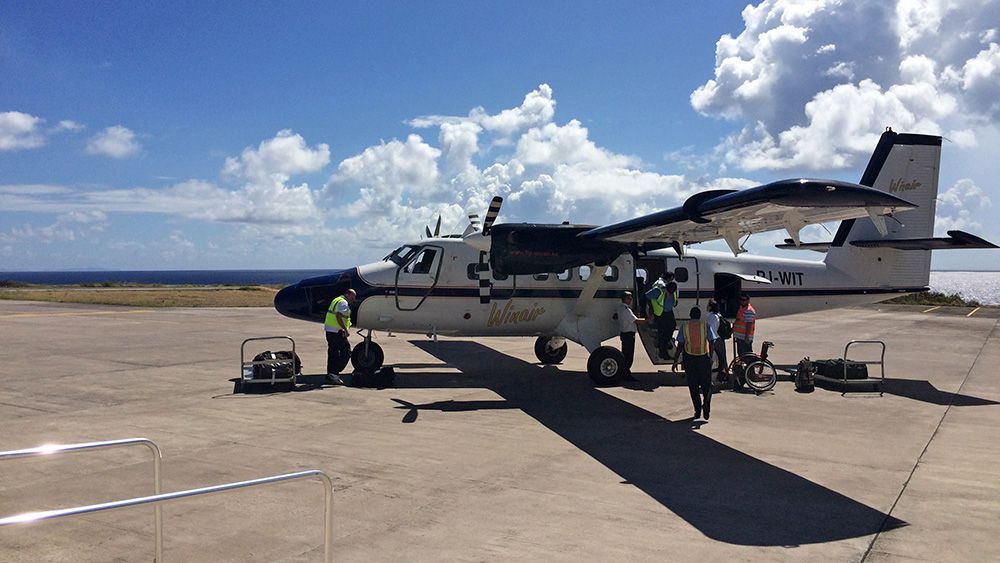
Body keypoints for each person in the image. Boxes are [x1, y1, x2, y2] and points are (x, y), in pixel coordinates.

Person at [672, 306, 717, 419]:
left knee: (693, 387)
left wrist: (675, 361)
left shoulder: (685, 327)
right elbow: (712, 341)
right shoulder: (705, 326)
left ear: (690, 316)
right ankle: (706, 406)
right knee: (707, 386)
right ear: (699, 315)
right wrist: (711, 357)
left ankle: (697, 411)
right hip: (703, 358)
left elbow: (680, 345)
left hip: (690, 359)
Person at [325, 289, 356, 384]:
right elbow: (338, 316)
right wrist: (345, 329)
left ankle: (331, 374)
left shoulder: (336, 299)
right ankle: (335, 372)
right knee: (346, 351)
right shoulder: (343, 303)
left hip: (330, 330)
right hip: (337, 331)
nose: (353, 299)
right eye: (352, 297)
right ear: (347, 294)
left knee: (333, 352)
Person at [645, 272, 678, 358]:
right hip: (660, 312)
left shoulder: (671, 286)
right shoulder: (659, 288)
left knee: (672, 325)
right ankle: (663, 351)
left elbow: (674, 299)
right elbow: (647, 296)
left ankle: (666, 343)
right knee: (663, 333)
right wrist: (651, 310)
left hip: (668, 311)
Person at [615, 291, 646, 381]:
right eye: (629, 298)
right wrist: (647, 320)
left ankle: (625, 373)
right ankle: (625, 374)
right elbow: (636, 321)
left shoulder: (620, 308)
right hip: (629, 335)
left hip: (624, 334)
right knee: (628, 356)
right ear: (625, 299)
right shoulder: (626, 310)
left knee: (625, 353)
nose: (631, 299)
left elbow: (615, 316)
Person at [706, 299, 729, 385]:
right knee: (722, 358)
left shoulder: (712, 317)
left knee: (714, 359)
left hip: (715, 340)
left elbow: (711, 330)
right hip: (719, 339)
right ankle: (723, 377)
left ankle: (716, 379)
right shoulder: (718, 315)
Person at [734, 293, 757, 359]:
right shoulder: (742, 309)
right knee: (742, 355)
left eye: (743, 300)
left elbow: (749, 324)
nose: (741, 301)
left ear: (748, 301)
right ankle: (746, 368)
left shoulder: (749, 310)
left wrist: (746, 337)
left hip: (744, 337)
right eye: (740, 299)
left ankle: (750, 368)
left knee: (747, 355)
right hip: (740, 337)